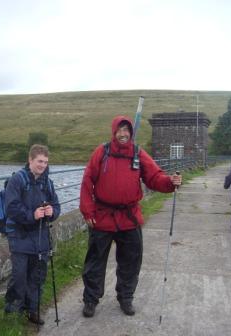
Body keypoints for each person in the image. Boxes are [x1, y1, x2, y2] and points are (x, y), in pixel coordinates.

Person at [79, 116, 182, 318]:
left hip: (129, 218)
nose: (123, 134)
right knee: (95, 262)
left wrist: (170, 182)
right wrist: (87, 211)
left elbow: (154, 177)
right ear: (114, 132)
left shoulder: (138, 153)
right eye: (120, 130)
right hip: (102, 217)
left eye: (126, 130)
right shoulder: (102, 152)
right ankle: (90, 300)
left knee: (131, 262)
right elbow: (87, 180)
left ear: (131, 133)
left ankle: (126, 297)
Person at [4, 144, 61, 325]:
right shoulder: (17, 180)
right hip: (20, 236)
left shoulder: (48, 183)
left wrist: (52, 211)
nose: (42, 165)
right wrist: (32, 215)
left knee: (37, 276)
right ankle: (13, 313)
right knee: (19, 276)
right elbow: (11, 208)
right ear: (30, 160)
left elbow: (57, 207)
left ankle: (33, 310)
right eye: (39, 161)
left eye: (45, 162)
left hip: (41, 236)